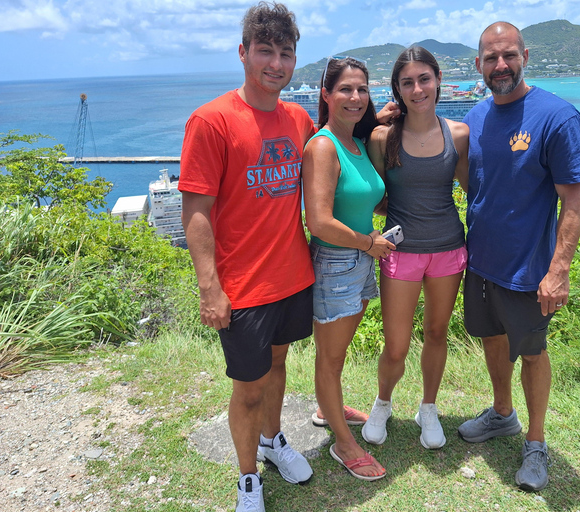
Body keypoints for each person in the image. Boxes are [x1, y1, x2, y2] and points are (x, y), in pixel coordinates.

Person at [179, 4, 316, 511]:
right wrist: (209, 288)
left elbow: (336, 151)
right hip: (242, 287)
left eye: (285, 53)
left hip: (293, 275)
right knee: (249, 388)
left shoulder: (298, 118)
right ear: (243, 53)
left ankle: (272, 440)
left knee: (279, 369)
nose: (275, 63)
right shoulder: (211, 121)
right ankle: (247, 478)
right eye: (265, 51)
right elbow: (196, 211)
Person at [458, 22, 580, 492]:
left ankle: (536, 442)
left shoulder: (556, 116)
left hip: (530, 270)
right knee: (493, 340)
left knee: (533, 353)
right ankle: (502, 414)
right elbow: (468, 181)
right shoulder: (474, 118)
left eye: (509, 55)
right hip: (480, 264)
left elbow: (574, 199)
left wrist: (559, 271)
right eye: (491, 58)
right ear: (478, 64)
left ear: (525, 57)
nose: (500, 65)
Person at [361, 47, 469, 450]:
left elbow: (473, 190)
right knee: (396, 344)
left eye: (424, 79)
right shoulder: (381, 137)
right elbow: (373, 193)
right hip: (399, 252)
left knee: (437, 333)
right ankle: (383, 403)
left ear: (438, 79)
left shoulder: (458, 134)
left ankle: (428, 407)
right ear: (397, 89)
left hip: (447, 249)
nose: (417, 88)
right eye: (407, 82)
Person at [302, 56, 393, 481]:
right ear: (326, 94)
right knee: (330, 358)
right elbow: (317, 221)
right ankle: (342, 442)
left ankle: (328, 409)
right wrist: (367, 242)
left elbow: (365, 198)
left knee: (335, 357)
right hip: (339, 260)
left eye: (362, 89)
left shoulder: (355, 143)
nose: (355, 98)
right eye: (345, 90)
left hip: (359, 258)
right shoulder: (324, 146)